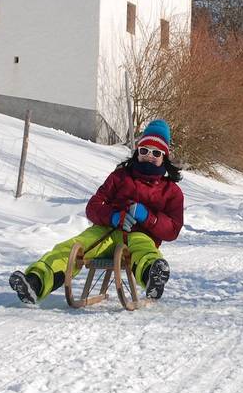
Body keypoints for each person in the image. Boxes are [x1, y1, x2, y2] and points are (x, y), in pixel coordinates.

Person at [10, 119, 184, 304]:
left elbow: (172, 229)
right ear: (137, 152)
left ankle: (152, 276)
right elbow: (93, 207)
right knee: (72, 248)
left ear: (164, 156)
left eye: (156, 152)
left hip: (139, 235)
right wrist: (114, 217)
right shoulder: (120, 177)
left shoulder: (171, 191)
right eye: (144, 150)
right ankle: (36, 282)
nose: (149, 156)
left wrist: (148, 217)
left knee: (144, 250)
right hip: (105, 232)